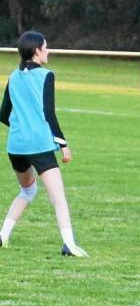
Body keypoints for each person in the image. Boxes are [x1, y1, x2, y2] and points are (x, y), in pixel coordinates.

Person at [0, 31, 88, 256]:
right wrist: (63, 144)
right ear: (36, 51)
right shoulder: (47, 75)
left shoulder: (13, 76)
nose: (48, 51)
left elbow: (3, 114)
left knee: (27, 192)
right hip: (40, 145)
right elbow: (49, 113)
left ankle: (2, 236)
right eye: (45, 47)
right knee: (58, 198)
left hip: (16, 147)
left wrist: (22, 128)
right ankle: (69, 244)